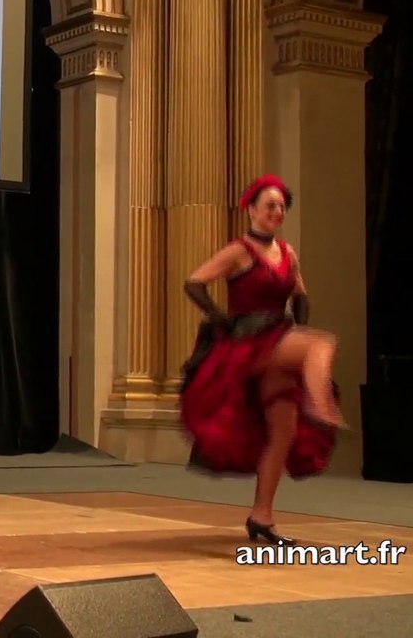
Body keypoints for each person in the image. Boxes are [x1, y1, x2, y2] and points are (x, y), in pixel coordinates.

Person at [178, 174, 344, 546]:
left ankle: (261, 518)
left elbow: (300, 294)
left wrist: (298, 326)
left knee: (281, 433)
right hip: (250, 343)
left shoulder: (288, 253)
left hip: (279, 339)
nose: (277, 211)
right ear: (251, 209)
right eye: (270, 205)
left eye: (282, 206)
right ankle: (321, 404)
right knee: (321, 345)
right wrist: (220, 319)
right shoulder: (239, 250)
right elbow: (194, 282)